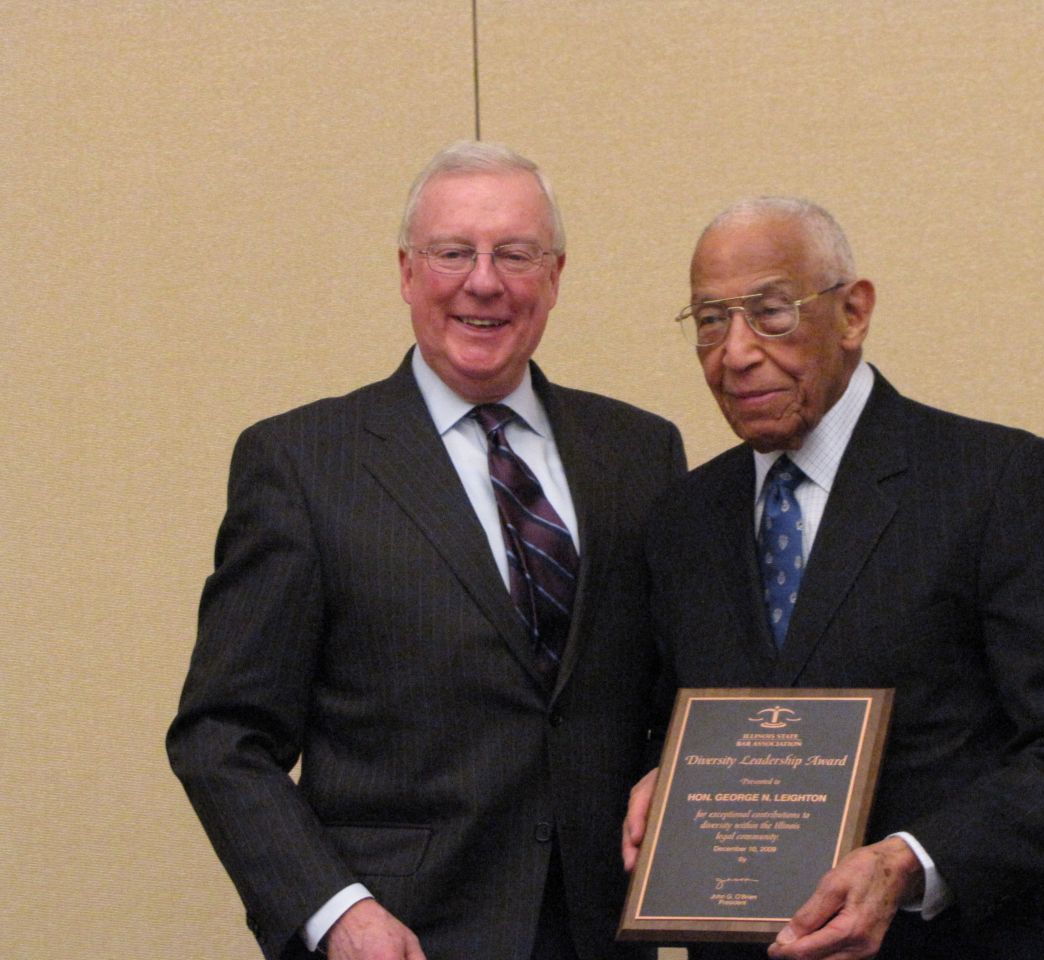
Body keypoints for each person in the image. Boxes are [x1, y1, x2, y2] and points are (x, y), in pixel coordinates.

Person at [168, 141, 685, 960]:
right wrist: (333, 911)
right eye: (454, 253)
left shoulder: (640, 453)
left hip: (602, 928)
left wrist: (675, 763)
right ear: (408, 272)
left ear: (554, 276)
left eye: (516, 254)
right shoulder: (304, 463)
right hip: (401, 934)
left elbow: (671, 679)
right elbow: (223, 736)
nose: (484, 281)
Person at [623, 197, 1044, 960]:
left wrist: (911, 861)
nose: (734, 352)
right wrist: (660, 781)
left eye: (770, 312)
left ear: (853, 312)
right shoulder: (683, 520)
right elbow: (671, 723)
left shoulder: (993, 480)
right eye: (709, 319)